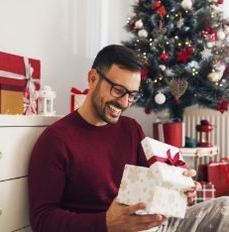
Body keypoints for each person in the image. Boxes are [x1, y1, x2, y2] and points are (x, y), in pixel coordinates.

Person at [28, 44, 229, 232]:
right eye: (118, 90)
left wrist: (182, 188)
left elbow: (156, 181)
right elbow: (42, 220)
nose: (124, 103)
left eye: (132, 95)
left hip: (153, 224)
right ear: (92, 79)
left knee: (226, 208)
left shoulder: (131, 129)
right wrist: (106, 223)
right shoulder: (55, 141)